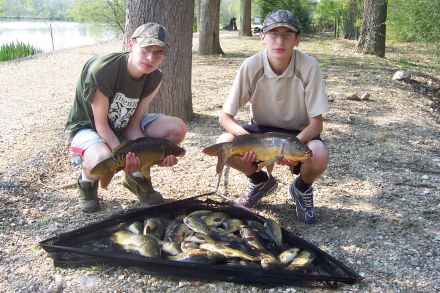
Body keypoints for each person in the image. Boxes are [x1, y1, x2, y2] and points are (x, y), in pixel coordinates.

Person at [217, 10, 330, 224]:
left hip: (298, 134)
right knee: (224, 143)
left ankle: (302, 188)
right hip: (260, 130)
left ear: (297, 39)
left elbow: (316, 124)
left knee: (319, 153)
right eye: (273, 34)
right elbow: (225, 117)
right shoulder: (251, 66)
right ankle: (259, 181)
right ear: (262, 37)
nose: (280, 41)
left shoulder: (309, 66)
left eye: (287, 34)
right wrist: (248, 142)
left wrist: (290, 146)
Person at [65, 22, 187, 213]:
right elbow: (102, 125)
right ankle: (87, 182)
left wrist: (147, 155)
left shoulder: (155, 77)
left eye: (158, 53)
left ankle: (136, 178)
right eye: (146, 49)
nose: (150, 58)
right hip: (89, 127)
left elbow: (133, 124)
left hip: (122, 125)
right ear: (131, 45)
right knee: (102, 159)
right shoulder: (104, 70)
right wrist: (123, 155)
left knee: (177, 128)